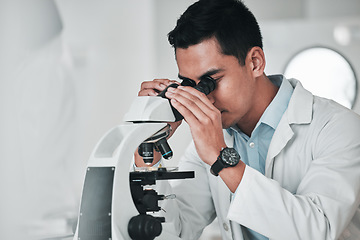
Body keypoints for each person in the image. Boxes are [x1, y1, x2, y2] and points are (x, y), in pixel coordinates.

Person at [135, 0, 360, 239]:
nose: (204, 98)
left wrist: (221, 158)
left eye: (211, 80)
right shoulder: (211, 141)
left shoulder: (339, 127)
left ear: (255, 62)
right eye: (191, 85)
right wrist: (148, 146)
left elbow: (317, 231)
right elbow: (174, 231)